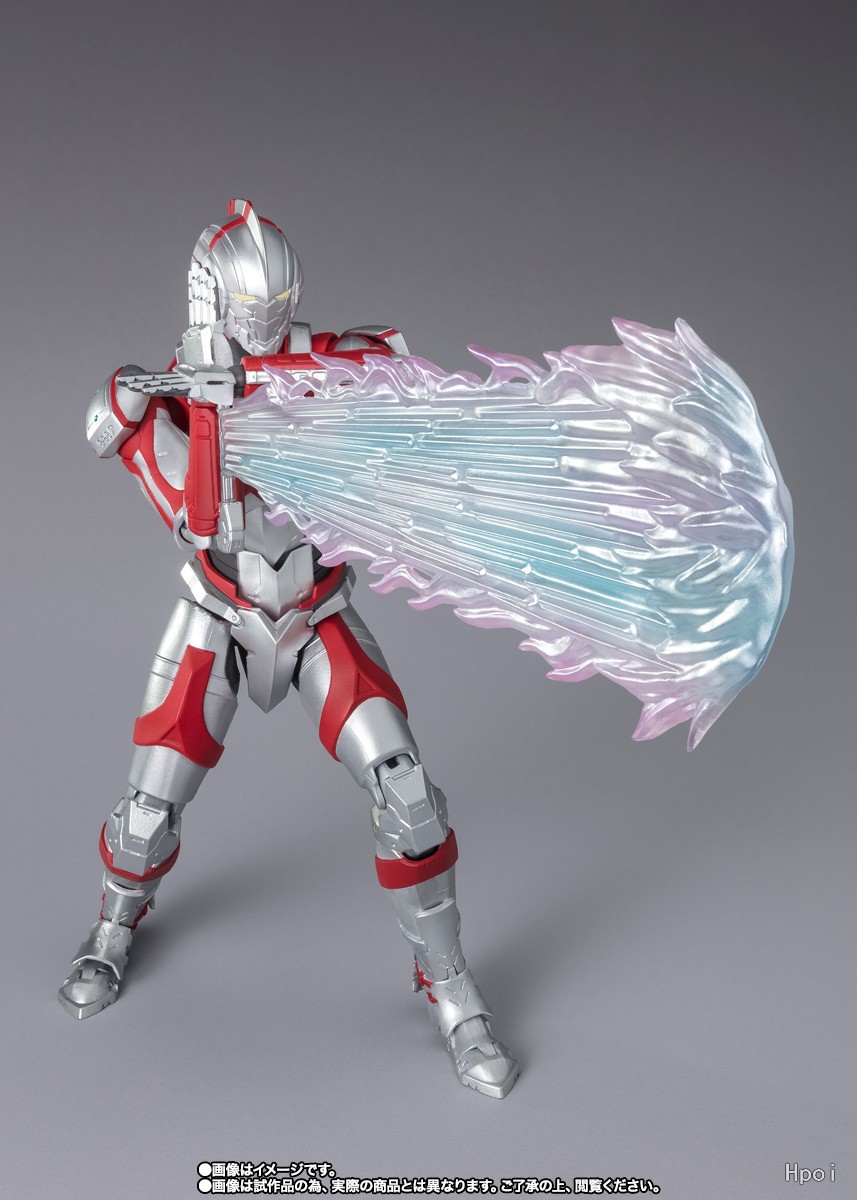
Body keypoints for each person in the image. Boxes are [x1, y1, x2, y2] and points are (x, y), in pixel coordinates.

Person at [58, 198, 519, 1100]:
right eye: (249, 314)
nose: (264, 328)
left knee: (407, 796)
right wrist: (173, 399)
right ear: (212, 301)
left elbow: (396, 370)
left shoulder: (326, 363)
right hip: (219, 611)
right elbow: (164, 483)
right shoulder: (173, 393)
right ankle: (113, 925)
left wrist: (314, 378)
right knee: (148, 806)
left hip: (315, 612)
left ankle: (448, 983)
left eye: (277, 312)